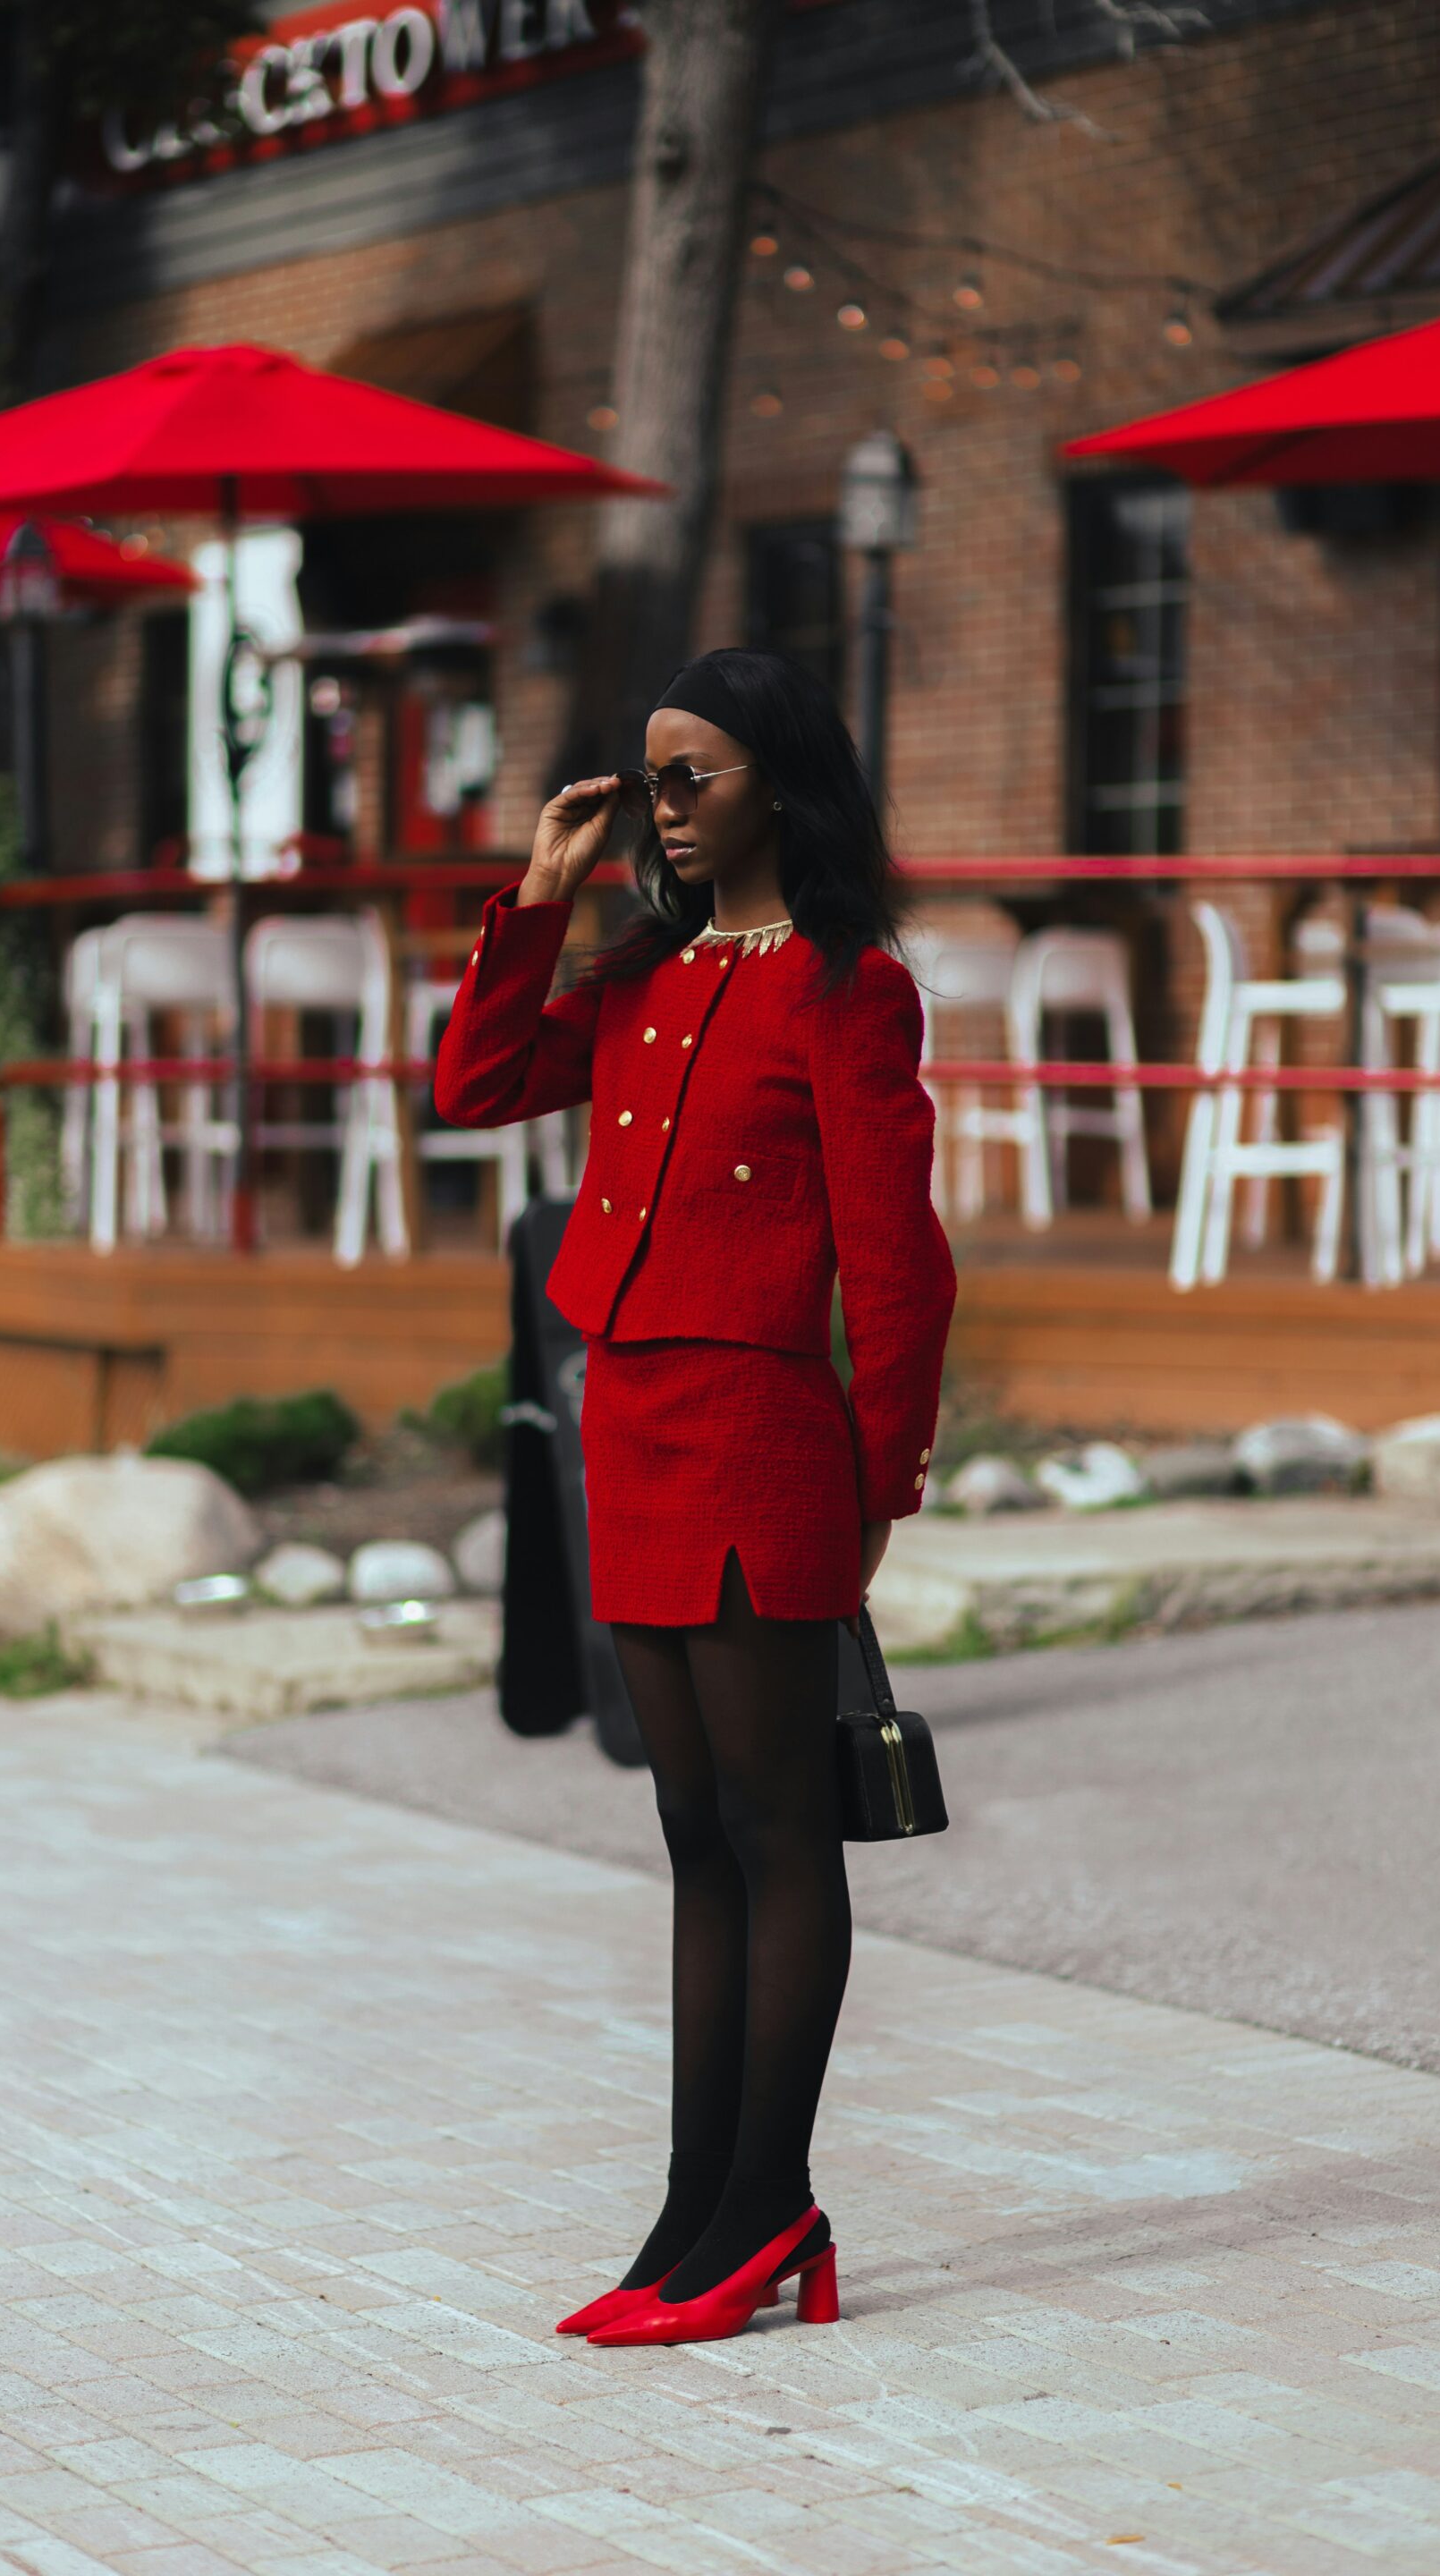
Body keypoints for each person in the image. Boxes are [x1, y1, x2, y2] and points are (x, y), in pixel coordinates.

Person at [434, 646, 955, 2346]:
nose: (660, 804)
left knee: (773, 1828)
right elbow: (476, 1088)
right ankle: (692, 2212)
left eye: (690, 775)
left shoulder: (847, 986)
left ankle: (767, 2208)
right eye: (647, 774)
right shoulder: (643, 976)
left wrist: (884, 1477)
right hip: (633, 1422)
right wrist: (535, 895)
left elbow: (898, 1260)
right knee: (687, 1837)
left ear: (779, 787)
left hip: (759, 1437)